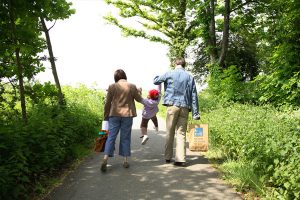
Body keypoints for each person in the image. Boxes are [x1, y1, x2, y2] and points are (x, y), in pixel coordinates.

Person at [153, 57, 200, 167]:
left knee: (170, 132)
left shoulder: (169, 73)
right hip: (184, 107)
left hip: (172, 106)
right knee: (181, 133)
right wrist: (195, 113)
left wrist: (157, 76)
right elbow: (194, 96)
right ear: (184, 65)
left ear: (175, 63)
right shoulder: (190, 77)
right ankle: (180, 159)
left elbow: (156, 81)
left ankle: (168, 157)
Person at [101, 69, 142, 172]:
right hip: (127, 115)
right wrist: (139, 92)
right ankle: (125, 160)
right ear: (125, 76)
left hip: (114, 115)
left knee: (111, 137)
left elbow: (107, 103)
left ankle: (105, 159)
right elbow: (138, 99)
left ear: (116, 77)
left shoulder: (112, 86)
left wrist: (106, 116)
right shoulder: (132, 86)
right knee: (125, 137)